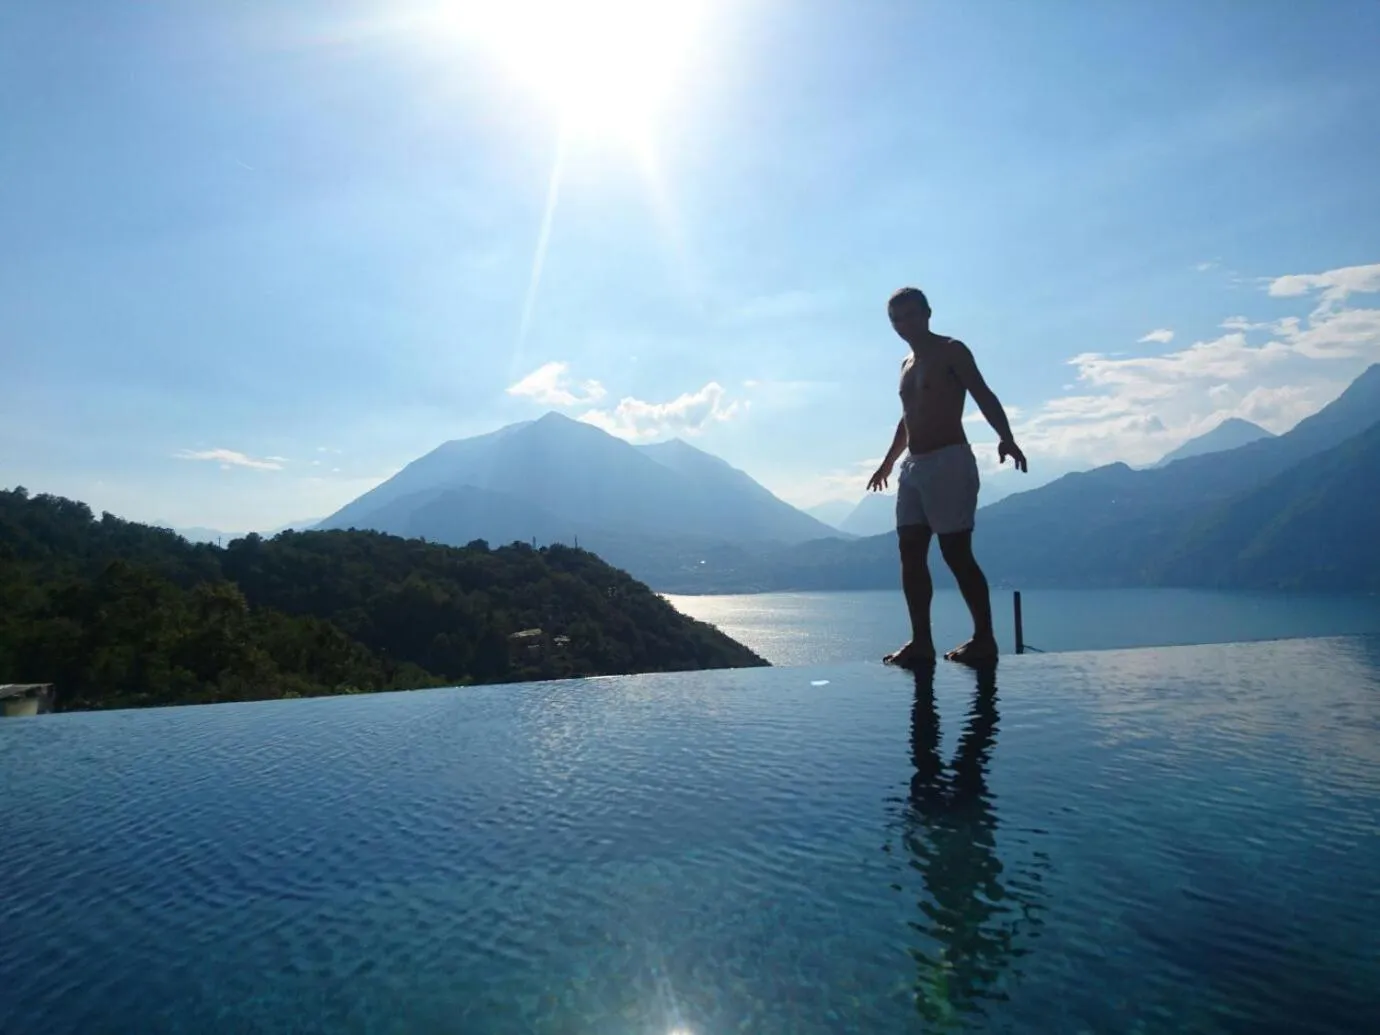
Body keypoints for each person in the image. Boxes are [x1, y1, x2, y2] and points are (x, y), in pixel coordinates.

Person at [867, 286, 1027, 666]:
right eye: (896, 319)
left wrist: (1006, 437)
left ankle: (984, 638)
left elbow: (982, 393)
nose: (904, 324)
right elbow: (908, 418)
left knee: (956, 552)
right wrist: (888, 462)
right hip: (914, 466)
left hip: (949, 461)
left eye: (910, 315)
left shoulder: (951, 350)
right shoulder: (905, 365)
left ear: (927, 313)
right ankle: (921, 641)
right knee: (909, 550)